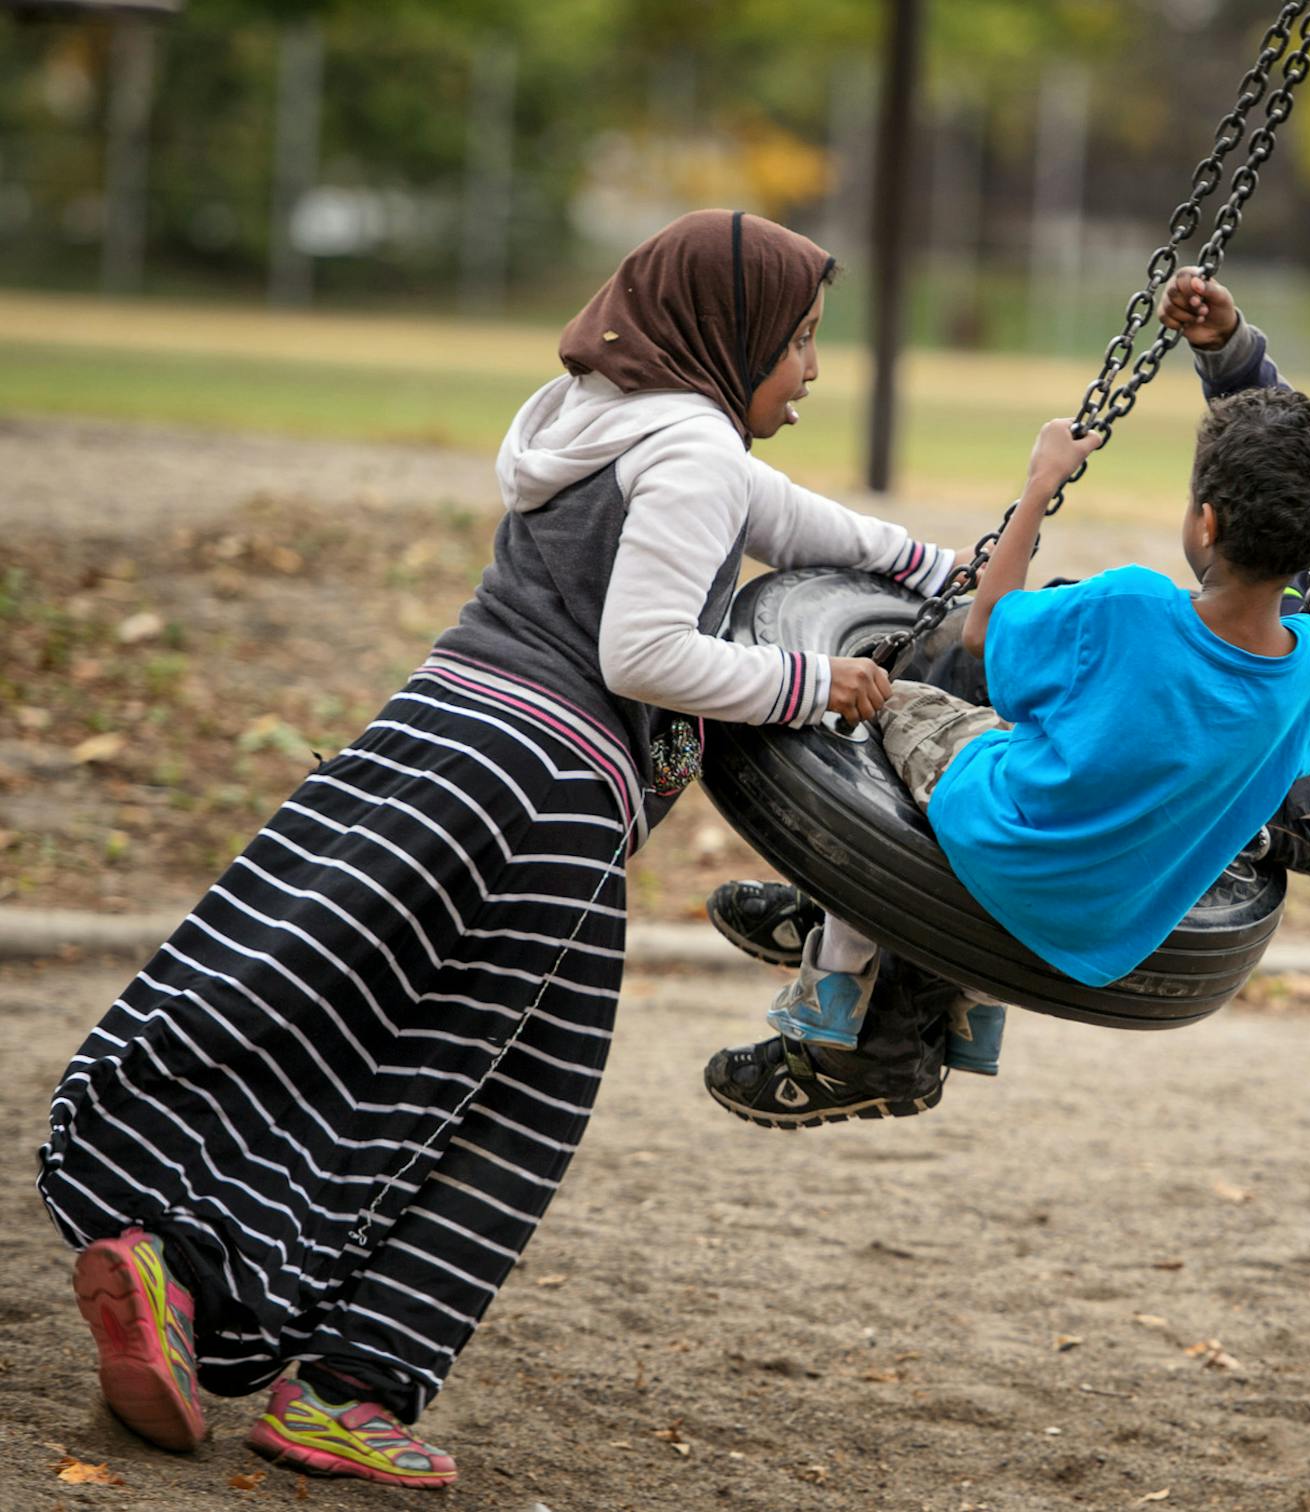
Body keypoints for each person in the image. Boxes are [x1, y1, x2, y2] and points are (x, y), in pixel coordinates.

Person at [36, 210, 956, 1487]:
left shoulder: (599, 412)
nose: (811, 371)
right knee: (509, 1096)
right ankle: (348, 1389)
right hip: (547, 791)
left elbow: (809, 529)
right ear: (729, 334)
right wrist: (816, 683)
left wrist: (941, 568)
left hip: (434, 730)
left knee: (335, 1009)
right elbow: (644, 654)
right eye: (798, 342)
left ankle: (172, 1260)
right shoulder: (691, 451)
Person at [707, 270, 1310, 1094]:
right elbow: (1297, 484)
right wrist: (1233, 357)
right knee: (1057, 721)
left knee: (1031, 735)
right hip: (1269, 681)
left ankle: (861, 1012)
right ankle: (867, 912)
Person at [703, 387, 1310, 1127]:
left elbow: (982, 633)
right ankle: (969, 1009)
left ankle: (834, 1010)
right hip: (1105, 932)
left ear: (1206, 522)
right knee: (1032, 753)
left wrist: (1041, 484)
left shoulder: (1132, 606)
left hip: (1001, 846)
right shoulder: (1309, 671)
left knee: (881, 711)